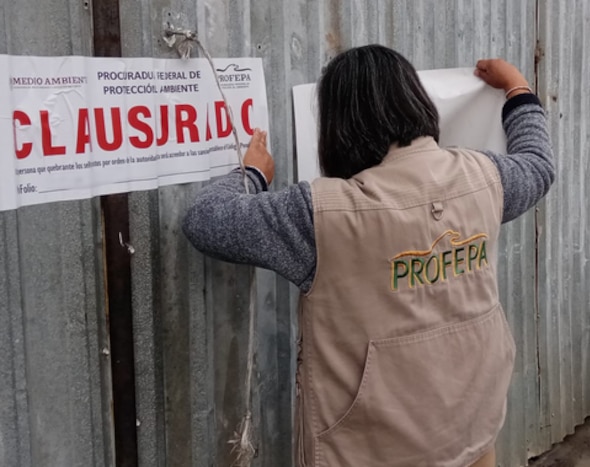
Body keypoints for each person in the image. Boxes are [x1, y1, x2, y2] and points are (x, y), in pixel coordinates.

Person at [183, 45, 554, 467]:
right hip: (473, 431)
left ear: (338, 125)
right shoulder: (485, 176)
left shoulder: (320, 214)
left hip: (370, 451)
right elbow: (538, 164)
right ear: (416, 100)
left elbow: (204, 220)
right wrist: (518, 89)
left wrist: (251, 174)